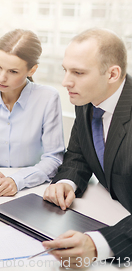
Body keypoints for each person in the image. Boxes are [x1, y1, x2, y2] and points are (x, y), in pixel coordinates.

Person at [42, 28, 132, 267]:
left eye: (78, 72)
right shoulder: (86, 99)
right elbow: (78, 154)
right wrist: (66, 182)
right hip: (107, 211)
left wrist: (98, 245)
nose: (65, 82)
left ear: (112, 74)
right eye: (65, 70)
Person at [0, 29, 65, 197]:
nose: (1, 78)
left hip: (31, 189)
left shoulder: (48, 98)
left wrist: (18, 180)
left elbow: (54, 158)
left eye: (13, 71)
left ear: (32, 70)